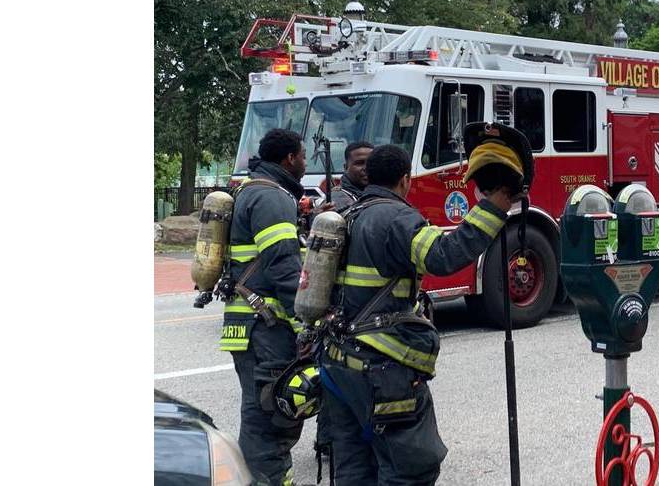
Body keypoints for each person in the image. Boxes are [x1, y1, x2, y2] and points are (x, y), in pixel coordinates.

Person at [321, 136, 519, 485]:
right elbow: (444, 255)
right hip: (382, 371)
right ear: (404, 180)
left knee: (354, 469)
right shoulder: (396, 218)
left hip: (339, 365)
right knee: (408, 470)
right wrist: (494, 208)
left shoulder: (345, 216)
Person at [220, 128, 308, 485]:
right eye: (303, 156)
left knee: (260, 410)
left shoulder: (253, 190)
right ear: (289, 158)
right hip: (266, 324)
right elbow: (283, 265)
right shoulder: (271, 198)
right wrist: (306, 320)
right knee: (271, 414)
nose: (305, 162)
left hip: (249, 322)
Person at [331, 141, 375, 212]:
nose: (366, 168)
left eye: (371, 163)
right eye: (359, 163)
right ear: (346, 167)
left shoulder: (387, 195)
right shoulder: (336, 202)